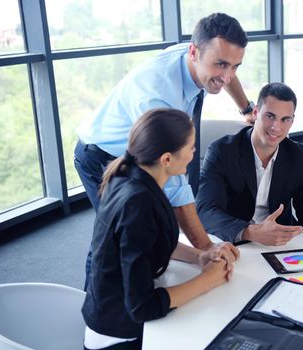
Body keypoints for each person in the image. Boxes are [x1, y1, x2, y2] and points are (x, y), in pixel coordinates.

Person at [75, 13, 246, 288]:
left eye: (235, 66)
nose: (227, 76)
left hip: (142, 153)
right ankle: (96, 307)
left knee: (153, 230)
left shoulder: (201, 56)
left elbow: (225, 72)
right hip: (104, 156)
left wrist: (246, 107)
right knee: (118, 239)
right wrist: (206, 249)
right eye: (221, 65)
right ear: (194, 52)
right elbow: (176, 188)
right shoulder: (159, 96)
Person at [82, 108, 232, 350]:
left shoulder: (129, 174)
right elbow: (144, 307)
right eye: (191, 147)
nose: (195, 152)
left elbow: (149, 240)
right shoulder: (138, 204)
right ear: (166, 159)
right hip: (120, 337)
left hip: (112, 312)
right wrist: (208, 280)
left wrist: (199, 256)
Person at [196, 82, 303, 245]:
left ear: (292, 121)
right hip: (234, 241)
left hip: (280, 245)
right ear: (256, 112)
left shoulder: (300, 156)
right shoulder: (222, 151)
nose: (276, 127)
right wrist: (249, 232)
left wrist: (298, 246)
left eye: (285, 119)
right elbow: (205, 211)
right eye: (270, 116)